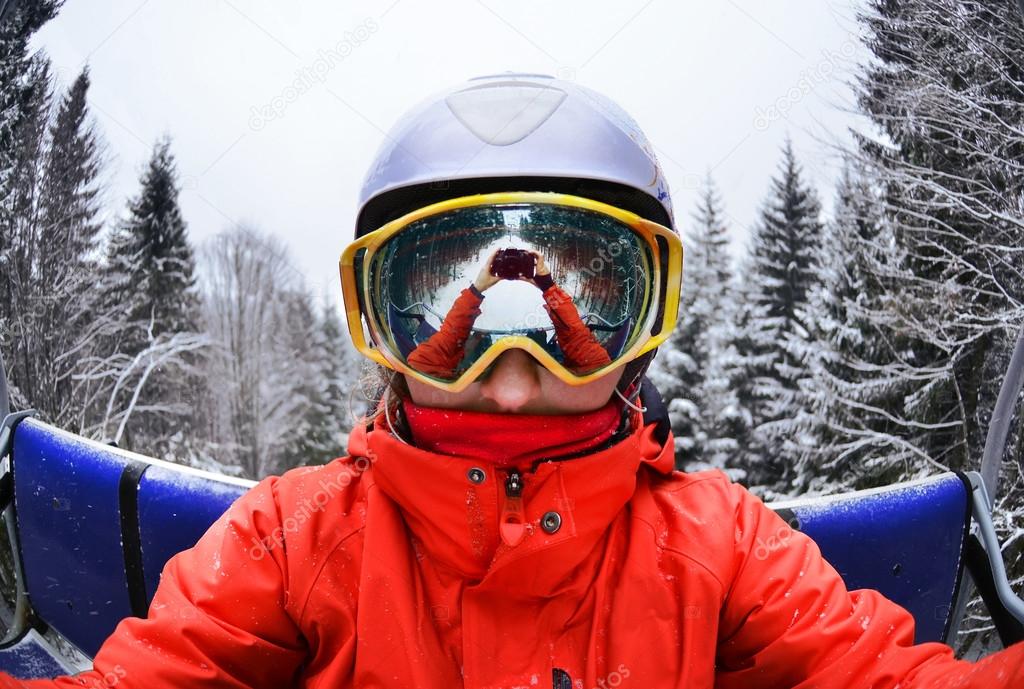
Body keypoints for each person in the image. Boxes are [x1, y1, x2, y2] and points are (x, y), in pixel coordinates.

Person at [3, 73, 1022, 689]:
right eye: (450, 305)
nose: (510, 381)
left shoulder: (720, 542)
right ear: (380, 325)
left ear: (641, 333)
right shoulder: (297, 538)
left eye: (577, 304)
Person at [406, 248, 612, 379]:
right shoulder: (591, 393)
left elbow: (441, 348)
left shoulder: (430, 392)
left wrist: (477, 289)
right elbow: (591, 359)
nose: (512, 395)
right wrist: (548, 286)